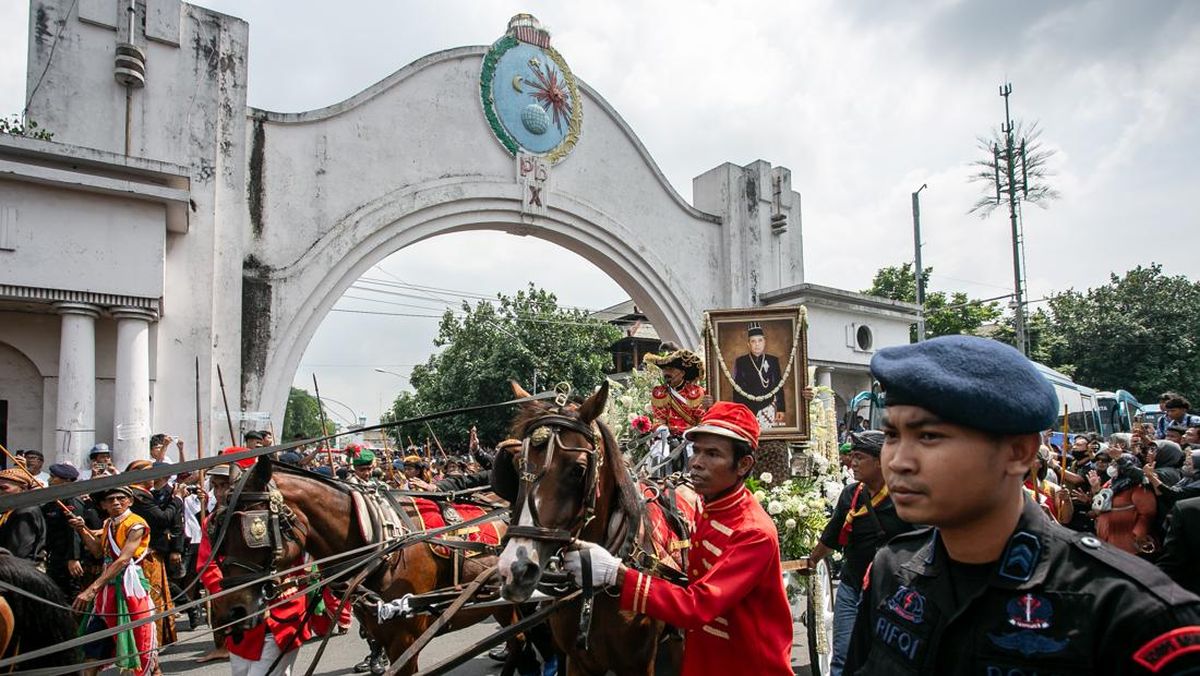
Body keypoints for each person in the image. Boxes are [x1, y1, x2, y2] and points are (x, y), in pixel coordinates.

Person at [845, 335, 1200, 675]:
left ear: (1019, 453)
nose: (899, 461)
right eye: (892, 435)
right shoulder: (893, 571)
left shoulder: (1129, 611)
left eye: (929, 436)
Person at [563, 402, 793, 675]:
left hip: (745, 663)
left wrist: (617, 574)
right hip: (705, 656)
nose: (696, 462)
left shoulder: (753, 532)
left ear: (743, 464)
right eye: (696, 451)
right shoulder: (712, 507)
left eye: (712, 454)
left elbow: (698, 605)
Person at [806, 430, 915, 676]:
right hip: (852, 585)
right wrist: (812, 560)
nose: (852, 463)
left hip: (893, 591)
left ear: (881, 461)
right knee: (843, 655)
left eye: (859, 457)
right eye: (852, 456)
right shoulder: (851, 495)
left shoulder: (906, 497)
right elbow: (831, 537)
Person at [69, 486, 159, 676]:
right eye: (111, 500)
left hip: (129, 587)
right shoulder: (109, 524)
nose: (116, 503)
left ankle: (153, 669)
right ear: (103, 505)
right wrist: (82, 531)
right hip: (106, 590)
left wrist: (92, 588)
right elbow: (99, 552)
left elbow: (123, 559)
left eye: (121, 498)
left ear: (130, 501)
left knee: (137, 634)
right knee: (94, 639)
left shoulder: (136, 524)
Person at [42, 463, 87, 599]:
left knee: (68, 593)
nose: (49, 480)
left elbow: (74, 531)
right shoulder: (53, 501)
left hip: (66, 557)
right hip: (54, 555)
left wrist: (73, 558)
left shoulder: (71, 501)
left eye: (53, 477)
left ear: (66, 480)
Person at [730, 322, 786, 428]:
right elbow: (736, 388)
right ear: (748, 344)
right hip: (747, 408)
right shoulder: (741, 361)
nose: (757, 344)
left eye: (760, 340)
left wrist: (781, 408)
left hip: (767, 407)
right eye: (753, 341)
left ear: (764, 342)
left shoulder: (773, 361)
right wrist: (739, 410)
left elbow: (779, 384)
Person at [644, 346, 709, 437]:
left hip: (691, 437)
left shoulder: (696, 392)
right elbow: (659, 419)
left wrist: (691, 433)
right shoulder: (659, 392)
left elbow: (702, 419)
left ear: (682, 373)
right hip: (667, 438)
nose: (666, 373)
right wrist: (661, 429)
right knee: (657, 451)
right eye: (664, 369)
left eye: (671, 369)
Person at [0, 467, 47, 562]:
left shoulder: (25, 512)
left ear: (23, 489)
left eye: (4, 488)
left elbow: (18, 553)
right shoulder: (9, 510)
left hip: (20, 570)